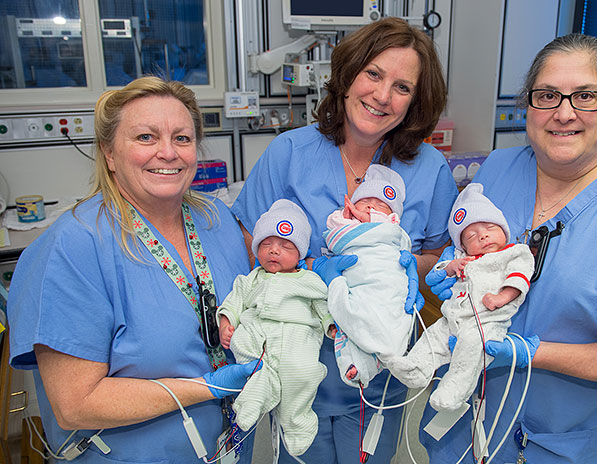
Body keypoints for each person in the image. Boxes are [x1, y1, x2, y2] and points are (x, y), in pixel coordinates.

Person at [422, 33, 597, 463]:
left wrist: (530, 352)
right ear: (528, 105)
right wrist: (448, 269)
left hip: (560, 443)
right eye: (547, 95)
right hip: (463, 424)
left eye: (586, 96)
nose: (564, 112)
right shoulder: (498, 168)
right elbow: (459, 240)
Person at [232, 16, 458, 463]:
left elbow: (437, 250)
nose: (381, 96)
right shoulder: (289, 153)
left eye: (402, 87)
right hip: (296, 362)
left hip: (380, 370)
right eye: (373, 74)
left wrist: (415, 266)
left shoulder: (429, 168)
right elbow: (245, 240)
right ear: (348, 75)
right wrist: (310, 270)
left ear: (415, 102)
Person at [7, 77, 261, 463]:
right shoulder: (76, 245)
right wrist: (207, 387)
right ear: (109, 154)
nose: (168, 153)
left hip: (226, 447)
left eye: (182, 138)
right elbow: (76, 403)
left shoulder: (217, 220)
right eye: (145, 137)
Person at [386, 183, 533, 412]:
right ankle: (415, 368)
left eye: (489, 227)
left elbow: (520, 277)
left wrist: (502, 297)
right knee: (433, 336)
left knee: (470, 350)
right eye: (472, 236)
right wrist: (451, 266)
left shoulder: (514, 253)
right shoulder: (462, 258)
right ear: (462, 245)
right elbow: (438, 273)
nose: (483, 235)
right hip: (452, 317)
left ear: (504, 230)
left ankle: (454, 391)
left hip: (486, 321)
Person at [217, 199, 333, 456]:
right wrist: (227, 321)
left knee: (302, 374)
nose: (273, 251)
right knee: (244, 348)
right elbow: (234, 301)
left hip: (297, 337)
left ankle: (296, 421)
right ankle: (253, 395)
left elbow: (322, 305)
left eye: (285, 246)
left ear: (300, 253)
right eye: (266, 244)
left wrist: (331, 324)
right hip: (258, 335)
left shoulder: (309, 281)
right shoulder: (251, 279)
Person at [324, 164, 413, 388]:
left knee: (393, 319)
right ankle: (357, 365)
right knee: (351, 319)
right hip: (359, 277)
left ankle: (389, 354)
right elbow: (333, 230)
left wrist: (366, 214)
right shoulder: (345, 222)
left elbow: (396, 236)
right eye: (364, 201)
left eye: (381, 205)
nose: (372, 206)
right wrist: (347, 214)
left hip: (386, 279)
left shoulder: (391, 225)